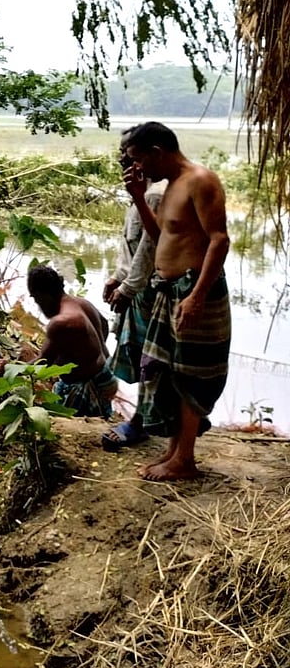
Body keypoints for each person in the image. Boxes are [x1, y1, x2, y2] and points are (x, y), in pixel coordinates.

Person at [121, 121, 230, 481]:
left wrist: (197, 295)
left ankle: (185, 459)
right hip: (168, 292)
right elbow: (161, 238)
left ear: (157, 152)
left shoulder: (201, 180)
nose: (135, 167)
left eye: (138, 159)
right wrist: (139, 196)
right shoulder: (167, 186)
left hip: (194, 291)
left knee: (191, 375)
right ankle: (173, 452)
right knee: (164, 370)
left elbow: (219, 240)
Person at [101, 134, 168, 450]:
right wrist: (116, 276)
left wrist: (127, 287)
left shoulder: (154, 196)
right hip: (137, 289)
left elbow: (150, 248)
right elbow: (129, 245)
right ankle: (147, 419)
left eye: (130, 159)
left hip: (148, 293)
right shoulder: (141, 195)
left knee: (151, 361)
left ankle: (143, 422)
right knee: (145, 360)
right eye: (123, 158)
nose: (124, 165)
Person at [26, 264, 118, 419]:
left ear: (43, 295)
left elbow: (44, 362)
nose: (38, 304)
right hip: (105, 375)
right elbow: (104, 325)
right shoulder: (82, 303)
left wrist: (10, 367)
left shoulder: (61, 322)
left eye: (36, 299)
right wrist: (91, 351)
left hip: (88, 386)